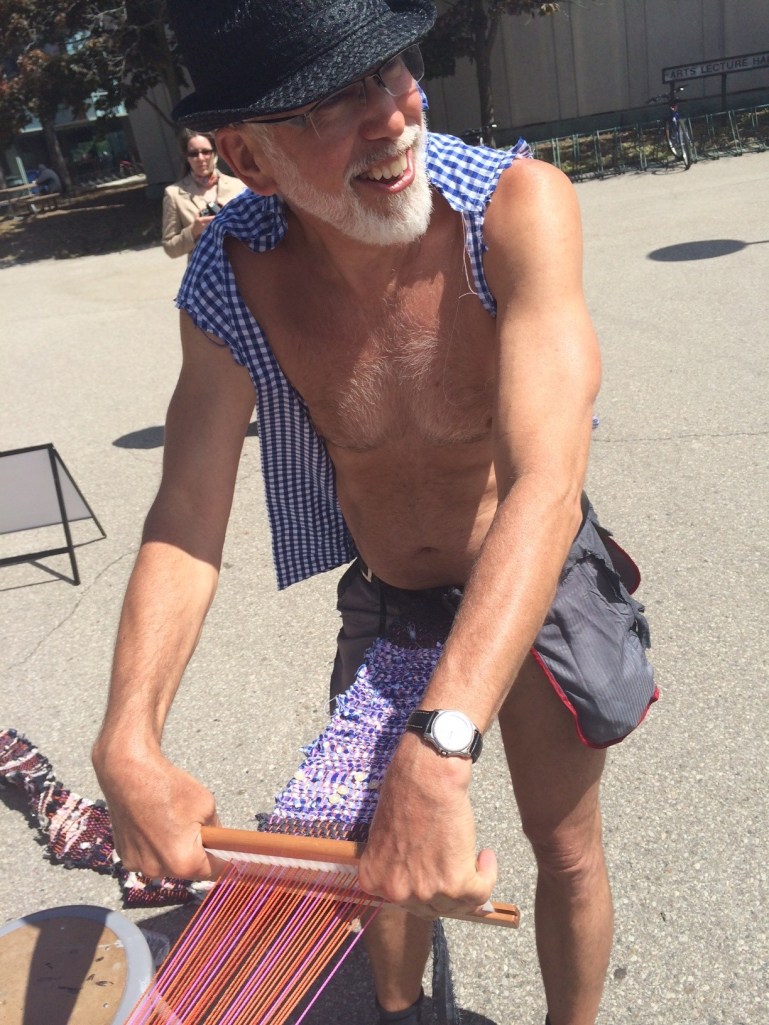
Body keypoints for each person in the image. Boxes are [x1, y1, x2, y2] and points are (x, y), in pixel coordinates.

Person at [92, 3, 658, 1024]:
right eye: (331, 101)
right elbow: (185, 511)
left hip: (535, 574)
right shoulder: (235, 275)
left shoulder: (513, 211)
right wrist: (127, 739)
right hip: (392, 593)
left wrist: (440, 745)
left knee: (563, 843)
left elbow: (545, 480)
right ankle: (399, 1016)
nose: (393, 114)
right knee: (368, 855)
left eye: (390, 69)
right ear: (251, 162)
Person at [161, 129, 243, 259]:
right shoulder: (174, 194)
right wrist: (194, 231)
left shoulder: (239, 186)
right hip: (205, 272)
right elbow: (170, 249)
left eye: (206, 152)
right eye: (193, 154)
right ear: (186, 157)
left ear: (215, 153)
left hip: (242, 266)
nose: (200, 158)